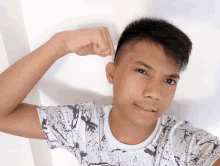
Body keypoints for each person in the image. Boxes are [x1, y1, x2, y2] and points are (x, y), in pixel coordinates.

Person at [0, 17, 220, 166]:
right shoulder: (81, 126)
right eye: (142, 71)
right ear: (111, 74)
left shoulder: (187, 143)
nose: (155, 93)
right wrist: (60, 44)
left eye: (169, 80)